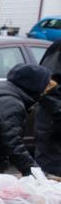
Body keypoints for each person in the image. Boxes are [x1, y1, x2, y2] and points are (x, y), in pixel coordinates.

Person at [35, 40, 61, 176]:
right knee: (51, 171)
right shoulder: (58, 49)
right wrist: (58, 110)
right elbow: (46, 84)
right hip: (53, 120)